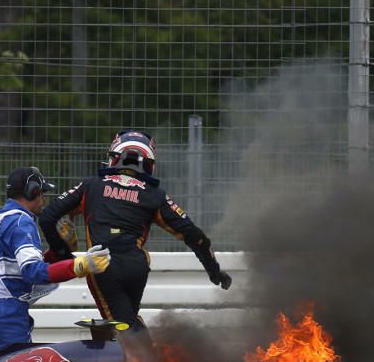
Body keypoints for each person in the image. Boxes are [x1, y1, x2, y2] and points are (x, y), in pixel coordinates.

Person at [38, 129, 232, 336]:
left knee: (125, 330)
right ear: (148, 163)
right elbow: (196, 237)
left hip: (103, 267)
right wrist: (214, 271)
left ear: (114, 157)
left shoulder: (91, 185)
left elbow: (48, 217)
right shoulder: (155, 195)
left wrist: (63, 255)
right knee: (128, 322)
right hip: (137, 267)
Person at [0, 166, 111, 361]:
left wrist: (57, 252)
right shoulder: (22, 221)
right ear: (31, 191)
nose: (43, 198)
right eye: (41, 192)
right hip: (4, 315)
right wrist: (80, 266)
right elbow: (32, 272)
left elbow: (15, 266)